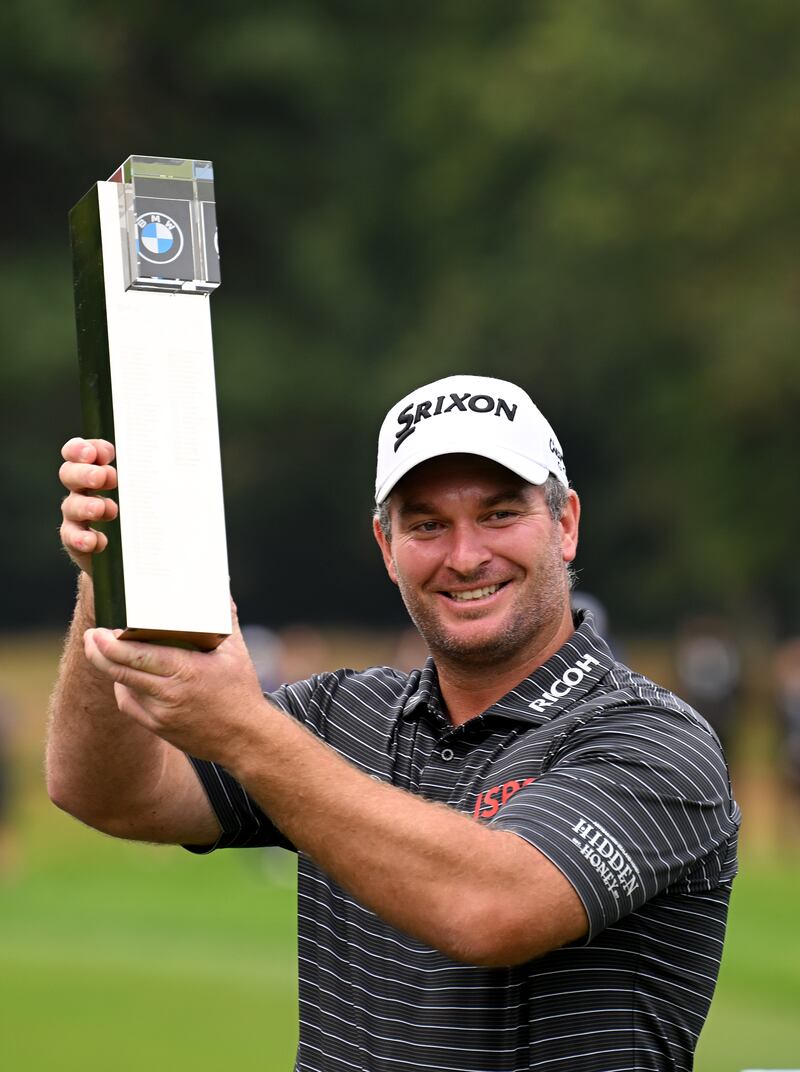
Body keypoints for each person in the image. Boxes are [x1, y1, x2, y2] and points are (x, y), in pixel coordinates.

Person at [48, 374, 740, 1072]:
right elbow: (106, 790)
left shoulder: (654, 737)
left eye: (499, 515)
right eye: (428, 524)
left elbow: (489, 907)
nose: (466, 556)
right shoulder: (335, 716)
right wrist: (110, 573)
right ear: (386, 546)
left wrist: (243, 729)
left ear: (564, 525)